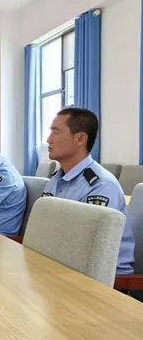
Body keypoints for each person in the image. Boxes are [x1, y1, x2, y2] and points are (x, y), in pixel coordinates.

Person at [43, 107, 134, 275]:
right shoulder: (56, 179)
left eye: (56, 132)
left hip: (102, 278)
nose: (49, 139)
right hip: (64, 264)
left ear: (80, 139)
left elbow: (90, 248)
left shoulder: (101, 185)